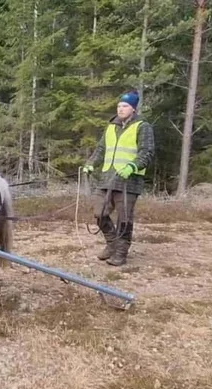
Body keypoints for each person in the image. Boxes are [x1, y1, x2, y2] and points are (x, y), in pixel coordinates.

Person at [81, 89, 155, 266]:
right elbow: (101, 149)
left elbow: (147, 152)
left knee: (124, 218)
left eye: (125, 106)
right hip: (107, 178)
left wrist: (132, 166)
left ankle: (121, 252)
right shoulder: (111, 126)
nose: (120, 109)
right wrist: (91, 163)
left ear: (133, 108)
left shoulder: (143, 126)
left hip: (129, 181)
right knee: (99, 213)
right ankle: (112, 243)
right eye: (119, 106)